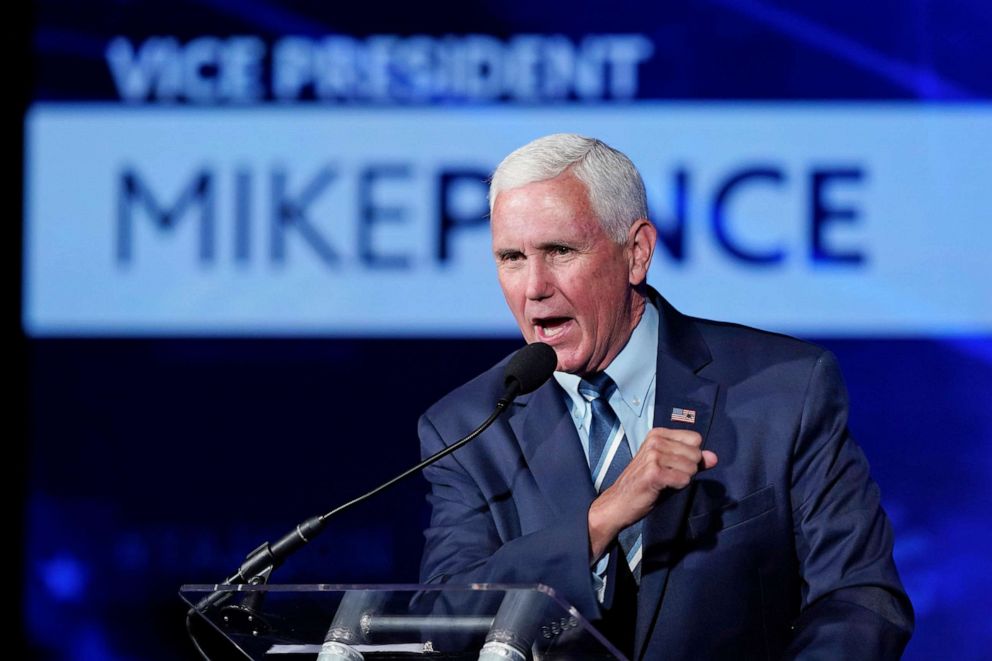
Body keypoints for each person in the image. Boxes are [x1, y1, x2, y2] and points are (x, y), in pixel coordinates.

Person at [417, 134, 913, 659]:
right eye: (511, 257)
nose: (534, 286)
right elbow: (443, 622)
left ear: (637, 253)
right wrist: (599, 521)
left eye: (560, 251)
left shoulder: (785, 388)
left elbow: (859, 598)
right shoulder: (468, 427)